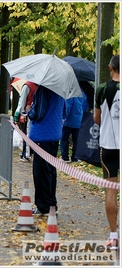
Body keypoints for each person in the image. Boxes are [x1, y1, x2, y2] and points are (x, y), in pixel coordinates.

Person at [93, 54, 120, 249]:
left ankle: (113, 236)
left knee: (111, 191)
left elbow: (96, 118)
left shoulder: (102, 89)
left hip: (109, 145)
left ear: (110, 67)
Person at [28, 85, 64, 216]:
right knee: (50, 170)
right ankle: (51, 204)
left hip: (42, 134)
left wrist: (29, 111)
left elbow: (39, 112)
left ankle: (44, 206)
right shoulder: (59, 89)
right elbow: (64, 111)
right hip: (54, 133)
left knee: (41, 171)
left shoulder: (44, 89)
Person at [13, 80, 38, 161]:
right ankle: (27, 153)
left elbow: (22, 101)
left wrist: (19, 113)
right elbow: (23, 101)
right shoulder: (33, 86)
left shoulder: (29, 86)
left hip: (30, 114)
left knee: (27, 134)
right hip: (31, 114)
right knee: (28, 134)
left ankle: (27, 153)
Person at [60, 93, 84, 162]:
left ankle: (65, 157)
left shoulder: (70, 95)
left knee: (64, 139)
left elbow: (68, 107)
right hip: (78, 120)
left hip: (69, 121)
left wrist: (64, 117)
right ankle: (75, 157)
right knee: (76, 140)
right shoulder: (81, 94)